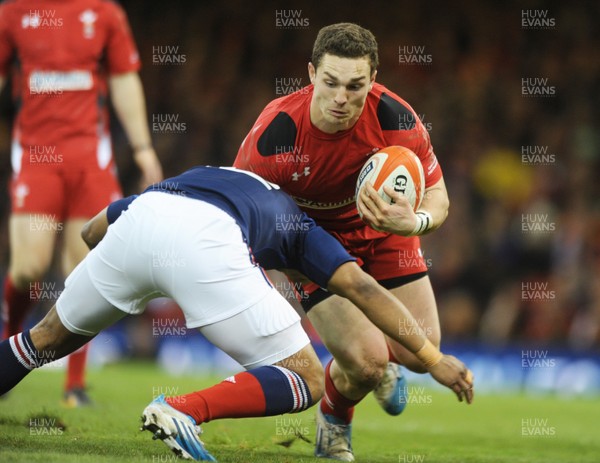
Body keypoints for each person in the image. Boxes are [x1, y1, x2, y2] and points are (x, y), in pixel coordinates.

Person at [0, 166, 474, 461]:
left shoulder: (210, 171)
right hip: (208, 240)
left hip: (143, 216)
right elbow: (362, 288)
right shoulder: (301, 224)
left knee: (42, 340)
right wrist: (432, 358)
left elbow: (91, 232)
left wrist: (121, 282)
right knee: (307, 377)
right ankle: (180, 409)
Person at [234, 22, 451, 460]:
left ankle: (381, 360)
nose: (340, 98)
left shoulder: (396, 118)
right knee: (367, 364)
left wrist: (414, 224)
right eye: (330, 83)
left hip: (387, 231)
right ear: (312, 74)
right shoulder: (276, 136)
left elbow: (438, 193)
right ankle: (335, 420)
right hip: (311, 242)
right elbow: (241, 211)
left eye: (355, 86)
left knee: (419, 349)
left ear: (373, 79)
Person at [0, 0, 163, 406]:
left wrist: (142, 147)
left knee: (84, 272)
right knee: (28, 269)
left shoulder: (105, 12)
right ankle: (8, 344)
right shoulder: (13, 12)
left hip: (90, 159)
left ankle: (74, 384)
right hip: (36, 155)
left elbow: (125, 78)